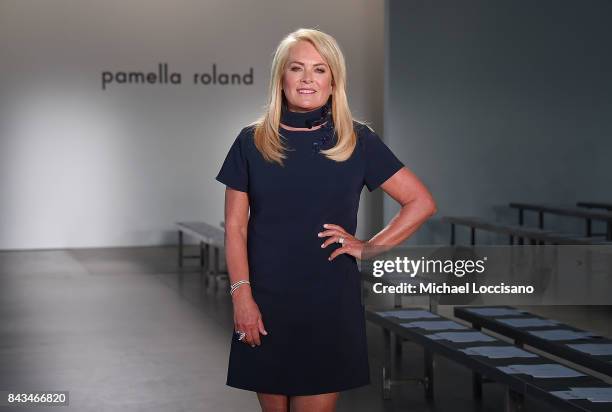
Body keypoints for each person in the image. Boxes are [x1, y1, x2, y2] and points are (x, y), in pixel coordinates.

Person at [215, 28, 436, 412]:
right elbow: (235, 228)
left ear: (333, 80)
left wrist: (369, 248)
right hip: (264, 300)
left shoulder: (357, 140)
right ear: (280, 77)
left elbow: (419, 201)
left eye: (319, 70)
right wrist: (242, 297)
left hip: (327, 302)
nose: (307, 79)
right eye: (296, 68)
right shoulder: (251, 141)